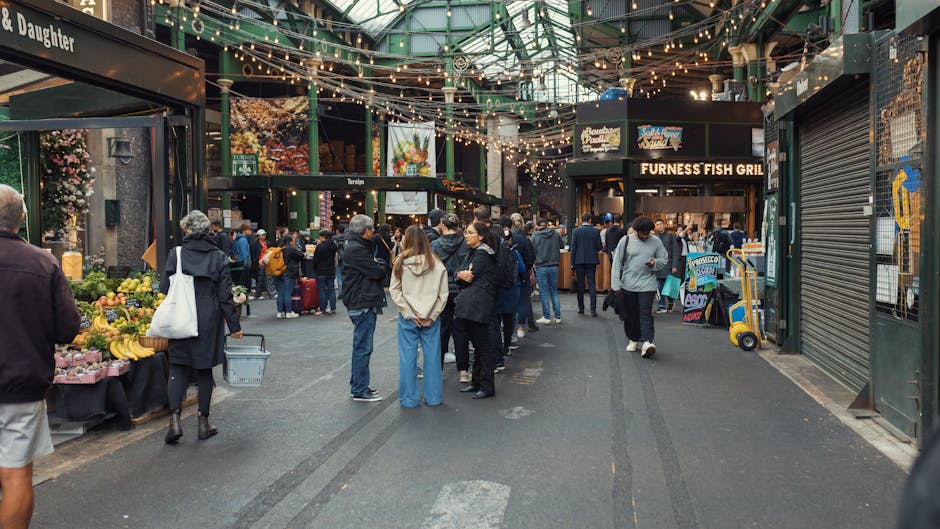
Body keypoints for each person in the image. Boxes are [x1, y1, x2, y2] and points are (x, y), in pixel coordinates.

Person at [0, 184, 81, 529]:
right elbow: (67, 328)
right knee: (16, 475)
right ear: (19, 221)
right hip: (21, 384)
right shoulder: (42, 262)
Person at [161, 210, 244, 445]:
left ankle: (174, 421)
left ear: (187, 230)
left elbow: (164, 289)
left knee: (177, 367)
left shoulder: (175, 254)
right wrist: (234, 326)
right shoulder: (218, 256)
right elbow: (225, 295)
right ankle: (203, 423)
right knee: (204, 370)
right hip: (208, 318)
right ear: (208, 231)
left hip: (180, 317)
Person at [390, 226, 449, 408]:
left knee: (407, 358)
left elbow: (395, 290)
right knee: (432, 357)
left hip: (408, 317)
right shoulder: (437, 263)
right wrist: (432, 315)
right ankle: (434, 397)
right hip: (431, 317)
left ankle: (409, 399)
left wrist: (408, 313)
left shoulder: (400, 261)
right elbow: (443, 294)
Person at [341, 214, 388, 402]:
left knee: (361, 346)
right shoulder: (357, 249)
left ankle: (358, 386)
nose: (373, 232)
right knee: (363, 347)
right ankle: (360, 389)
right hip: (362, 301)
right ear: (366, 230)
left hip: (360, 300)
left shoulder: (354, 246)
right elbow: (377, 271)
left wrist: (377, 264)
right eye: (371, 229)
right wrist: (380, 263)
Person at [453, 222, 499, 399]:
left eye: (470, 232)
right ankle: (477, 381)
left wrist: (460, 275)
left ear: (480, 236)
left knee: (483, 347)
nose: (466, 235)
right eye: (466, 232)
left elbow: (467, 278)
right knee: (479, 347)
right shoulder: (476, 252)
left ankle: (486, 386)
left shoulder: (481, 254)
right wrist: (459, 274)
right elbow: (460, 273)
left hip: (478, 306)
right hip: (476, 305)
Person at [611, 216, 668, 359]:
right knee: (630, 314)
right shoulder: (626, 240)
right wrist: (615, 285)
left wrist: (654, 262)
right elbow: (617, 263)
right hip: (628, 285)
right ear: (636, 230)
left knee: (645, 313)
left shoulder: (656, 241)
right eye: (642, 232)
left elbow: (664, 259)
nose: (645, 235)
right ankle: (633, 339)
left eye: (648, 232)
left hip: (647, 284)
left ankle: (647, 342)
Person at [432, 214, 469, 381]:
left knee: (441, 330)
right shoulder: (465, 243)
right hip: (461, 289)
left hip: (442, 290)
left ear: (442, 225)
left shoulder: (435, 245)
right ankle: (464, 371)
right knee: (460, 330)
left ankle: (437, 369)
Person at [495, 218, 526, 358]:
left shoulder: (492, 253)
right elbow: (522, 269)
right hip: (512, 289)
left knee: (495, 323)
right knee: (509, 320)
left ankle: (497, 353)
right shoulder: (513, 252)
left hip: (496, 291)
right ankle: (506, 346)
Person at [531, 217, 564, 324]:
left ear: (537, 225)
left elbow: (532, 251)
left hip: (541, 266)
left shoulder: (535, 236)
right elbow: (562, 245)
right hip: (554, 265)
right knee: (554, 291)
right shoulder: (555, 234)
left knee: (544, 292)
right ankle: (558, 316)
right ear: (546, 224)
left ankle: (546, 316)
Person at [570, 213, 603, 317]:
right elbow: (599, 246)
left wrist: (572, 263)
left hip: (579, 261)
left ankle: (581, 309)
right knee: (592, 285)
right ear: (589, 220)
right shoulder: (596, 231)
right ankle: (593, 310)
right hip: (591, 260)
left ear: (581, 220)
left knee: (581, 285)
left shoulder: (575, 231)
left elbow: (573, 248)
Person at [510, 213, 536, 338]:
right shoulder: (524, 239)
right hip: (523, 272)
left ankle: (509, 329)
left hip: (509, 273)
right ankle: (521, 327)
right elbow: (531, 256)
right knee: (523, 300)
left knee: (510, 300)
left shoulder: (508, 237)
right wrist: (528, 268)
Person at [275, 232, 304, 319]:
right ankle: (288, 311)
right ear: (290, 241)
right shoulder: (291, 249)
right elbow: (301, 256)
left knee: (280, 292)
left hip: (279, 273)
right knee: (288, 293)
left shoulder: (278, 249)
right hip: (289, 273)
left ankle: (280, 312)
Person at [653, 219, 679, 313]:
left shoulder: (671, 236)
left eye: (660, 224)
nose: (659, 226)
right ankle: (661, 305)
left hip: (669, 264)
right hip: (658, 265)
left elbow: (676, 251)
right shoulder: (654, 238)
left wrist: (675, 265)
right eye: (657, 224)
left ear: (664, 225)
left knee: (669, 286)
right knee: (659, 286)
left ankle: (671, 302)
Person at [311, 230, 338, 315]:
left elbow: (315, 259)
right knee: (331, 290)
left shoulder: (320, 246)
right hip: (331, 270)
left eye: (321, 236)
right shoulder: (334, 245)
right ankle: (333, 308)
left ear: (324, 237)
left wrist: (315, 268)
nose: (320, 238)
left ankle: (323, 308)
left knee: (322, 290)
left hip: (321, 270)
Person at [254, 229, 277, 299]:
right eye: (262, 235)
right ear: (258, 236)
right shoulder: (255, 244)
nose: (264, 236)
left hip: (267, 263)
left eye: (264, 235)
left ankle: (272, 293)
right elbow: (254, 255)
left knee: (269, 278)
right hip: (260, 263)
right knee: (259, 279)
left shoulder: (268, 243)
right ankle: (258, 294)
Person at [333, 224, 347, 297]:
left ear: (337, 231)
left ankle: (341, 292)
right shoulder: (347, 238)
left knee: (338, 275)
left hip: (337, 257)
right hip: (345, 257)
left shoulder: (334, 238)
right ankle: (345, 292)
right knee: (345, 275)